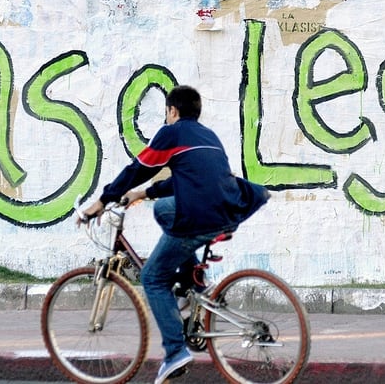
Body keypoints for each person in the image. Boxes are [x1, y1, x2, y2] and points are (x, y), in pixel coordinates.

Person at [79, 85, 270, 384]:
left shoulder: (172, 133)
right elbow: (190, 181)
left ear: (172, 111)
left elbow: (137, 167)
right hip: (226, 210)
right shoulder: (208, 136)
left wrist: (102, 201)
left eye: (166, 112)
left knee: (152, 278)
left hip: (199, 216)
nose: (166, 117)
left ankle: (175, 352)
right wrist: (143, 194)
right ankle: (190, 281)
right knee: (163, 209)